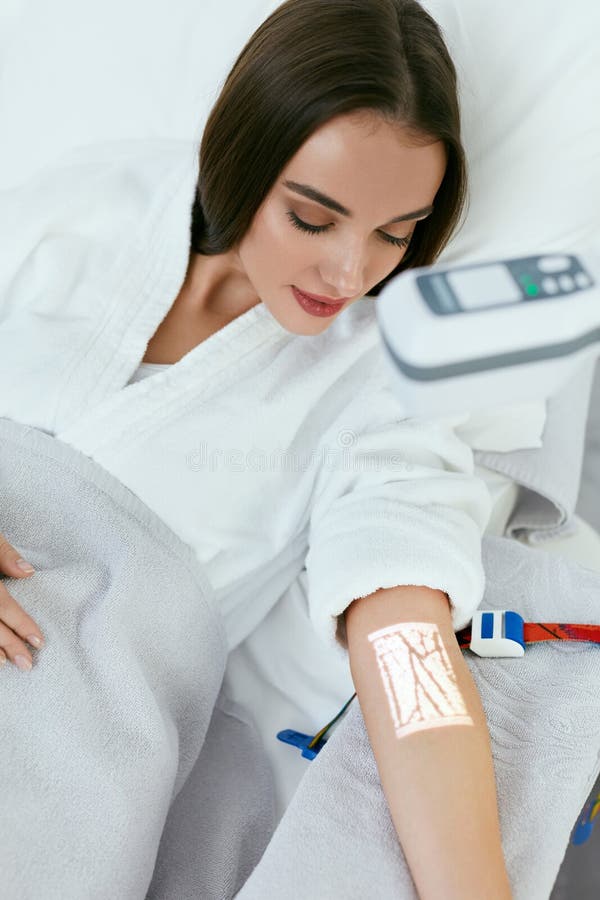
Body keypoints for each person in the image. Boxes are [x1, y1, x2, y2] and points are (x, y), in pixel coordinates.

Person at [0, 0, 513, 896]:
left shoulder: (382, 379)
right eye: (315, 219)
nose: (351, 273)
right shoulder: (90, 204)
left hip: (58, 753)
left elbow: (406, 642)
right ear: (242, 155)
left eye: (396, 234)